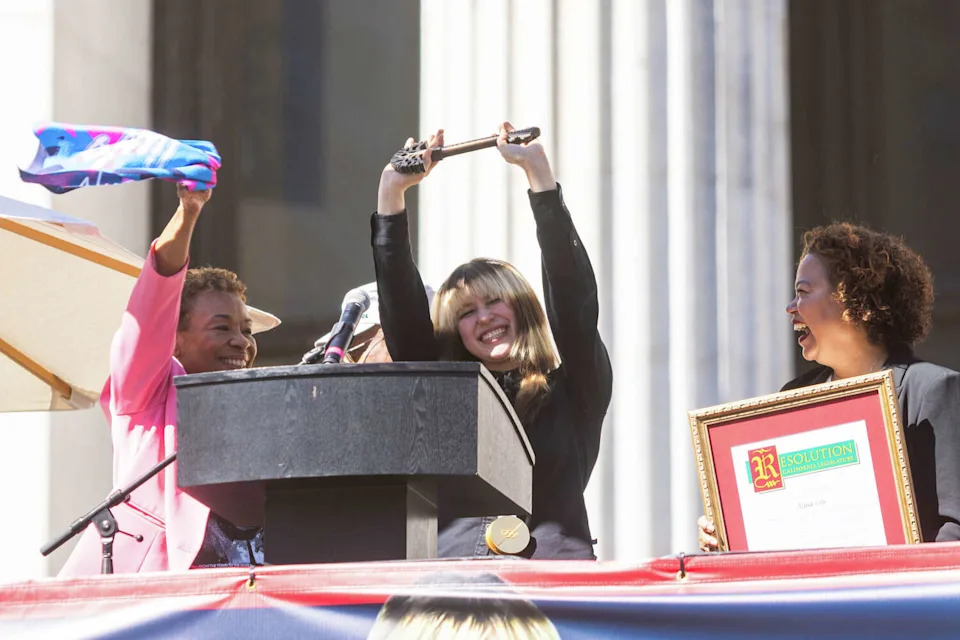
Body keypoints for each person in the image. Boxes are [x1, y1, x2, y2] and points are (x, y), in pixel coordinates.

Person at [371, 122, 612, 559]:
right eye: (466, 312)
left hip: (553, 594)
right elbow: (403, 317)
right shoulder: (444, 397)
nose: (484, 318)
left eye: (495, 303)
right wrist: (392, 192)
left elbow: (575, 299)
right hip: (454, 592)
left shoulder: (574, 390)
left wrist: (540, 179)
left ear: (522, 310)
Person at [698, 222, 960, 551]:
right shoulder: (791, 398)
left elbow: (955, 530)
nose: (790, 307)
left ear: (853, 298)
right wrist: (728, 530)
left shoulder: (933, 390)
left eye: (803, 292)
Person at [59, 185, 275, 575]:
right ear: (173, 337)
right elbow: (156, 294)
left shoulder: (258, 409)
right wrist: (188, 212)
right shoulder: (147, 391)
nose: (241, 341)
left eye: (246, 330)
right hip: (156, 605)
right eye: (222, 327)